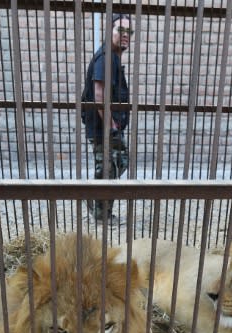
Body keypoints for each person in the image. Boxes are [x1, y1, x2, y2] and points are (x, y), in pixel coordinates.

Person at [81, 13, 132, 223]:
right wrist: (111, 126)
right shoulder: (105, 58)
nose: (125, 35)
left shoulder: (111, 57)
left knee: (115, 164)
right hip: (104, 127)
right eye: (120, 30)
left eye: (129, 31)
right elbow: (99, 94)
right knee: (109, 166)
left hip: (107, 126)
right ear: (109, 32)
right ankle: (101, 213)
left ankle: (96, 202)